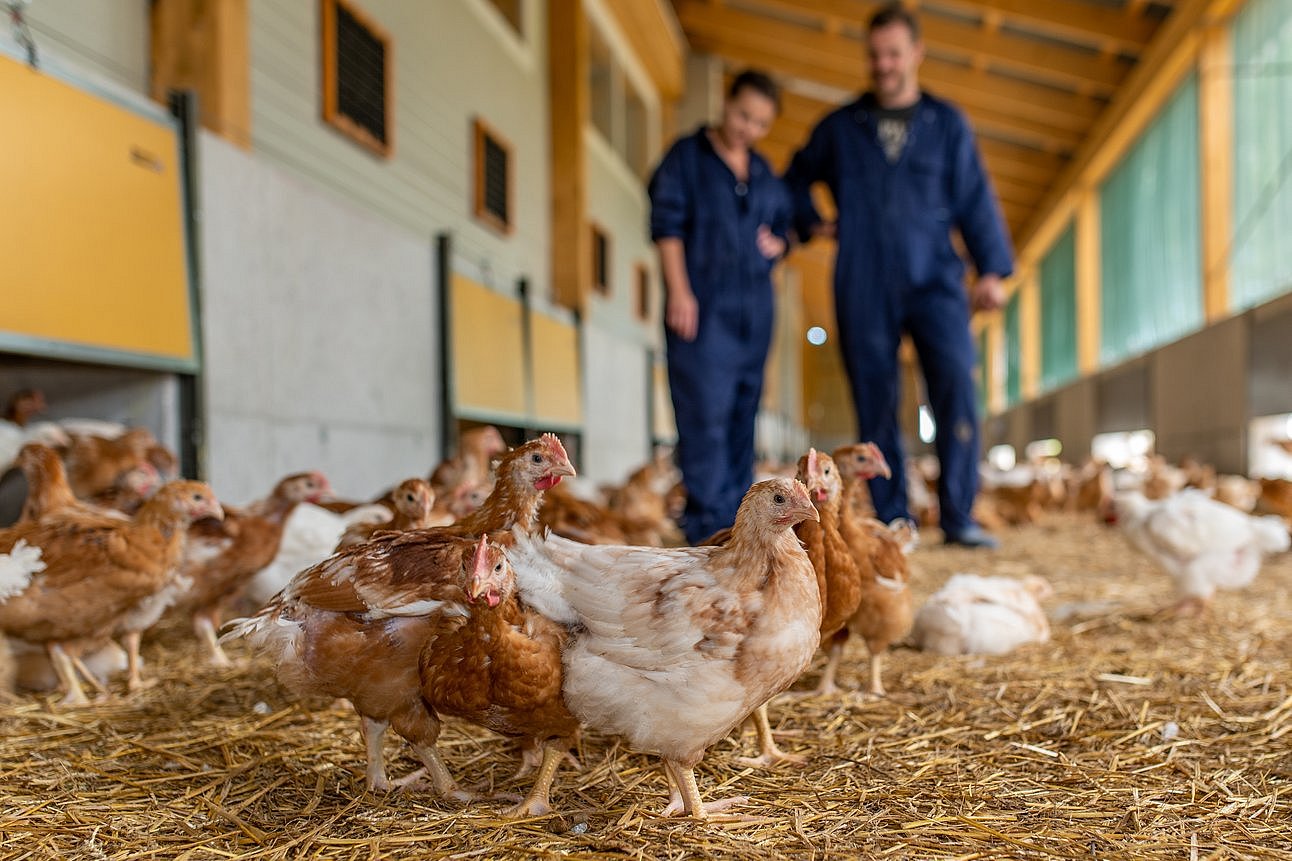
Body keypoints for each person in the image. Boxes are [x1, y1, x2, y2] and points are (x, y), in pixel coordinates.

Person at [783, 3, 1014, 549]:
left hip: (936, 276)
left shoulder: (946, 123)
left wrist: (993, 269)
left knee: (955, 384)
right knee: (874, 397)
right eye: (875, 55)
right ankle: (892, 519)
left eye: (893, 54)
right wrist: (815, 222)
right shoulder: (841, 128)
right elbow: (794, 178)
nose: (883, 65)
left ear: (915, 54)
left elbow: (976, 197)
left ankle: (959, 514)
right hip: (863, 280)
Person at [648, 70, 792, 544]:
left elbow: (784, 223)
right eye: (742, 114)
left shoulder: (765, 172)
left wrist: (781, 242)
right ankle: (706, 525)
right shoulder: (686, 158)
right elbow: (667, 226)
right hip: (703, 305)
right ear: (725, 102)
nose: (747, 128)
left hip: (754, 311)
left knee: (741, 416)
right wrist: (679, 290)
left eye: (759, 123)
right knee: (704, 414)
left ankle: (735, 524)